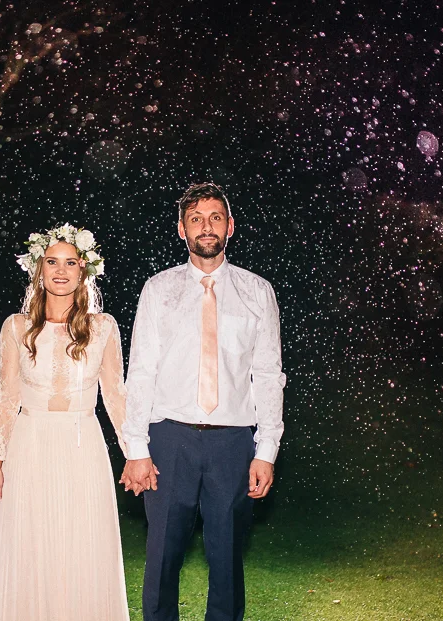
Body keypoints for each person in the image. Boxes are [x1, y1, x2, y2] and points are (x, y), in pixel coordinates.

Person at [120, 183, 286, 621]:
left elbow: (268, 376)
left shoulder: (257, 292)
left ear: (230, 227)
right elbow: (140, 371)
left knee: (227, 559)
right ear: (181, 229)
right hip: (169, 440)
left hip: (233, 443)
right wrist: (136, 448)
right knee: (161, 560)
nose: (206, 226)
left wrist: (265, 451)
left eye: (215, 217)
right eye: (196, 218)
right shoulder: (159, 290)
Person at [0, 224, 130, 621]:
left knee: (81, 544)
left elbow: (116, 396)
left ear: (84, 271)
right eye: (52, 262)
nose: (60, 271)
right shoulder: (16, 327)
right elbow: (7, 397)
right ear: (38, 270)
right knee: (32, 544)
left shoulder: (103, 328)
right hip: (30, 446)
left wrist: (136, 454)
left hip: (84, 448)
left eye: (70, 262)